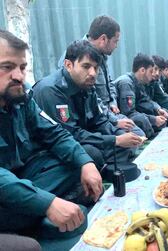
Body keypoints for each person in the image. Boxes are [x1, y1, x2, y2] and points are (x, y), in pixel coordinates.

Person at [0, 30, 102, 236]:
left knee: (87, 159)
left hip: (25, 173)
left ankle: (37, 210)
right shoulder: (48, 89)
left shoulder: (21, 100)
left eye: (22, 67)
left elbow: (56, 134)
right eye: (7, 67)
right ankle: (38, 216)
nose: (19, 76)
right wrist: (47, 203)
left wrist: (85, 163)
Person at [34, 40, 142, 182]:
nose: (92, 73)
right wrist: (115, 140)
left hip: (84, 138)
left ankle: (101, 167)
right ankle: (94, 171)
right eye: (86, 66)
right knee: (93, 153)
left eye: (96, 68)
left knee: (126, 141)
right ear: (68, 65)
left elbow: (99, 120)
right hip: (55, 148)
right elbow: (70, 134)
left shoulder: (87, 86)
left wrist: (118, 134)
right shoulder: (51, 90)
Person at [58, 15, 145, 137]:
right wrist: (113, 121)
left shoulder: (101, 56)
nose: (116, 46)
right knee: (131, 137)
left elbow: (109, 82)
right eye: (115, 41)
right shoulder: (76, 55)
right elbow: (88, 97)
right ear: (103, 39)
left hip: (105, 113)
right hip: (92, 117)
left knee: (136, 133)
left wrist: (112, 102)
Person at [114, 53, 167, 138]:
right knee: (142, 120)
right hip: (118, 119)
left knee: (158, 117)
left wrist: (157, 109)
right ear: (142, 70)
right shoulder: (126, 83)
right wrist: (153, 119)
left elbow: (146, 101)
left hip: (132, 114)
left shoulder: (139, 82)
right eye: (151, 71)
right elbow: (128, 113)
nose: (153, 74)